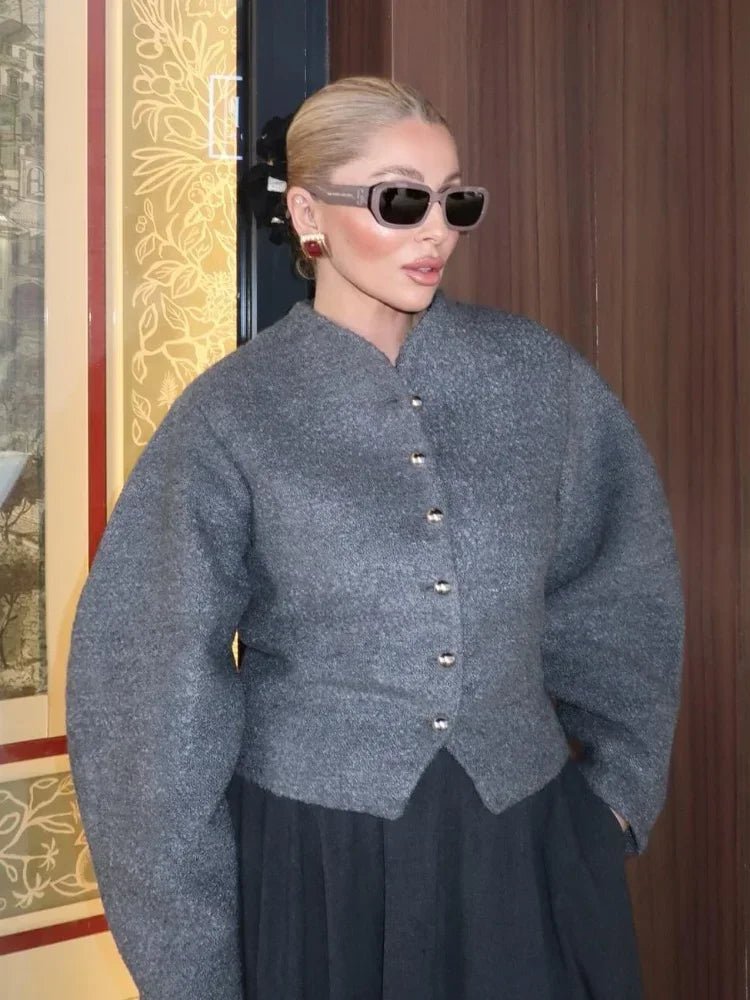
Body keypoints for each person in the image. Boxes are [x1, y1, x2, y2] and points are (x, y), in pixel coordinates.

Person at [66, 76, 685, 1000]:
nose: (436, 232)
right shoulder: (232, 414)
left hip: (524, 853)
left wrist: (618, 801)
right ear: (308, 213)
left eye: (454, 202)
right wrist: (192, 957)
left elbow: (622, 588)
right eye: (401, 201)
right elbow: (146, 697)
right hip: (317, 869)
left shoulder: (538, 379)